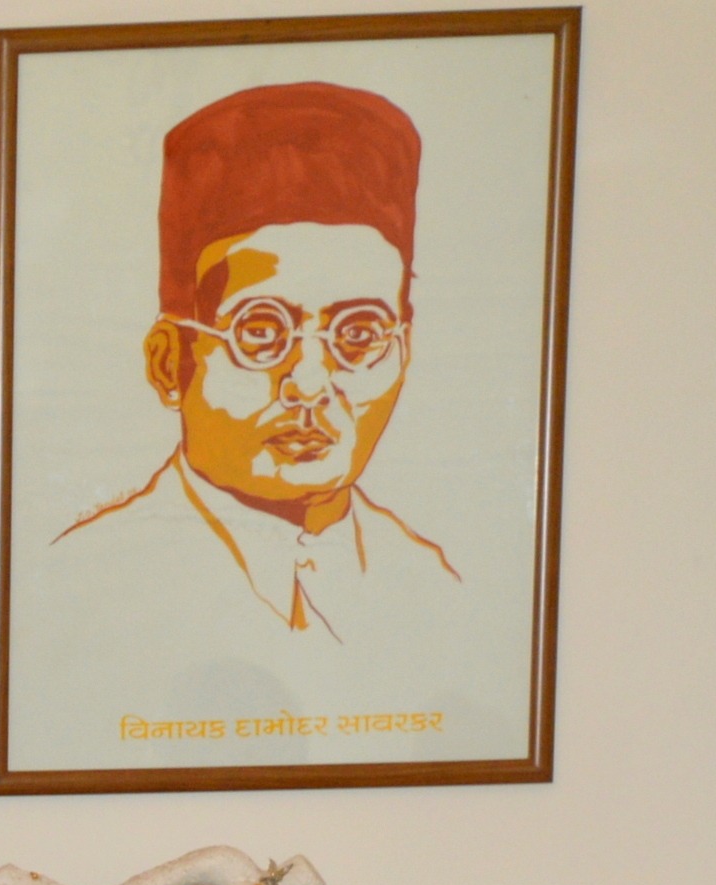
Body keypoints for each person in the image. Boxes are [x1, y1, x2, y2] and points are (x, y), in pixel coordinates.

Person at [48, 83, 458, 644]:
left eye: (358, 334)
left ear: (403, 355)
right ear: (169, 363)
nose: (310, 383)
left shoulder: (434, 586)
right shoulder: (80, 587)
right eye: (261, 332)